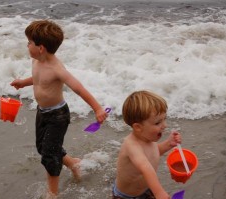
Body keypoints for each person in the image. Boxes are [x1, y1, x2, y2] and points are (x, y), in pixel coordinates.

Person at [10, 20, 108, 199]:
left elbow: (79, 88)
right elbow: (38, 78)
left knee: (49, 154)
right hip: (42, 112)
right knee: (43, 147)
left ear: (41, 48)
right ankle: (73, 164)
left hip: (58, 116)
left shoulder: (57, 69)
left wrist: (98, 108)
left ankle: (53, 193)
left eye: (29, 43)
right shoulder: (37, 61)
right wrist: (23, 82)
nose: (27, 45)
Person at [113, 90, 181, 199]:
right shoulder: (132, 145)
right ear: (138, 127)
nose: (165, 126)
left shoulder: (148, 139)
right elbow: (145, 167)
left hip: (146, 188)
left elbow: (153, 153)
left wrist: (168, 144)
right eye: (158, 123)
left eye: (165, 119)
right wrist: (159, 192)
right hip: (126, 197)